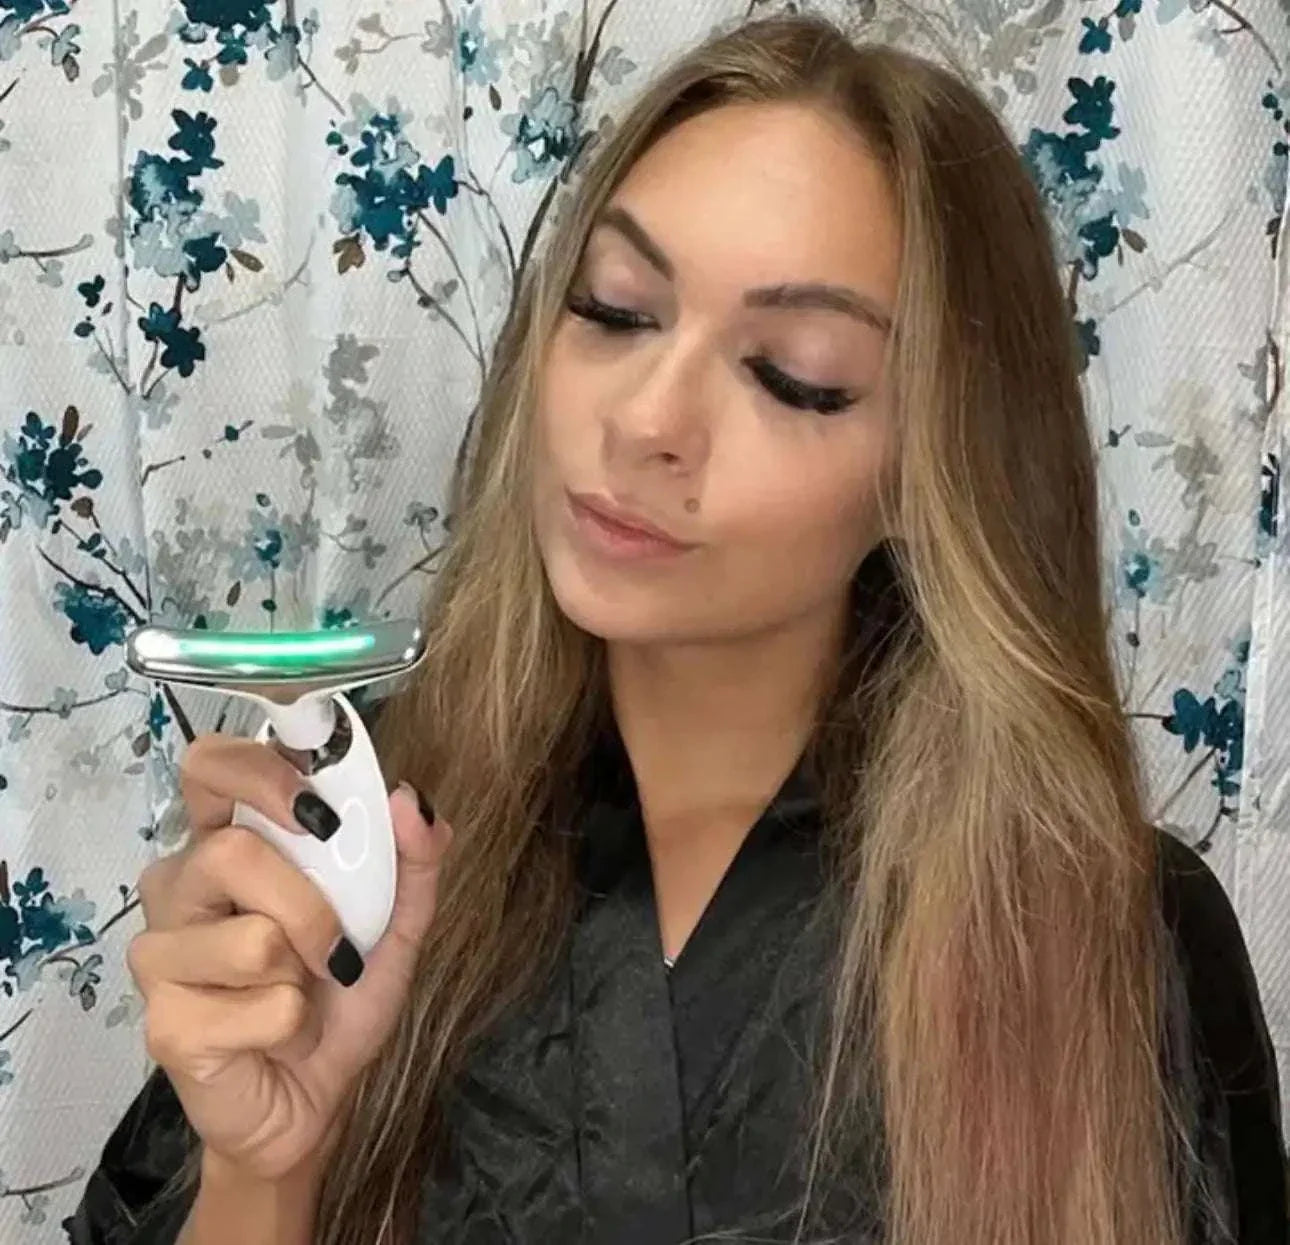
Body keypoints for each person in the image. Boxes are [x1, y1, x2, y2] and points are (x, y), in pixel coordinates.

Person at [66, 13, 1285, 1245]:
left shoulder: (1109, 937)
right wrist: (264, 1167)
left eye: (795, 376)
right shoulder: (368, 841)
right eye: (614, 309)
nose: (649, 415)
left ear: (934, 470)